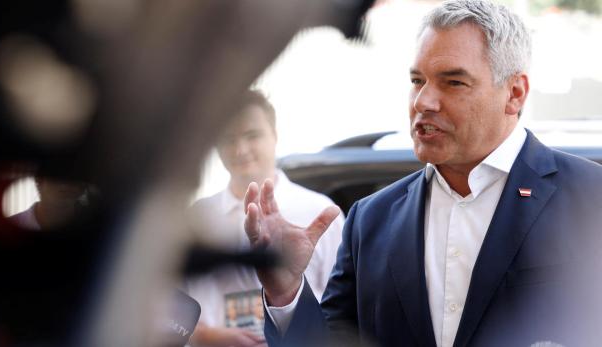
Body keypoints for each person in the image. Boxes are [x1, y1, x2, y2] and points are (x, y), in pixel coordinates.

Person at [243, 1, 602, 346]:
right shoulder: (371, 220)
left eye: (453, 82)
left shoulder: (590, 197)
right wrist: (286, 289)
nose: (423, 102)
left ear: (514, 93)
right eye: (418, 80)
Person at [187, 90, 344, 347]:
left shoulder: (318, 211)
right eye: (228, 139)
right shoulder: (195, 218)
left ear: (275, 135)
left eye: (252, 135)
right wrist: (204, 336)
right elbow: (162, 306)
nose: (240, 149)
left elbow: (344, 307)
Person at [8, 175, 88, 230]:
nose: (65, 185)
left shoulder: (96, 228)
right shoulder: (9, 227)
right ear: (39, 181)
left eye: (74, 176)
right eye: (56, 175)